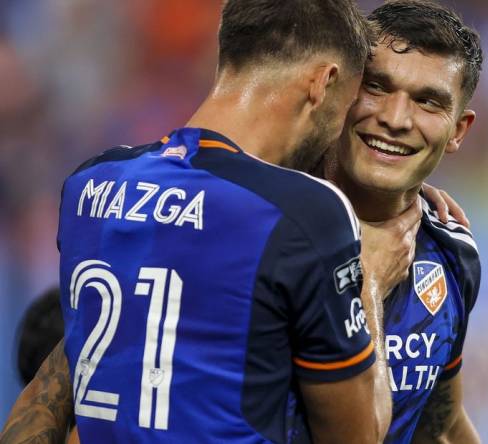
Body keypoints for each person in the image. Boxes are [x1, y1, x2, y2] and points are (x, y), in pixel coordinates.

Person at [1, 0, 420, 443]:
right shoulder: (305, 212)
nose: (341, 130)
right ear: (323, 82)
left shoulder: (90, 185)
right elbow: (360, 437)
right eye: (347, 105)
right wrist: (371, 279)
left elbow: (57, 390)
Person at [321, 1, 484, 442]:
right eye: (376, 87)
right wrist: (368, 280)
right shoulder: (272, 232)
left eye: (428, 102)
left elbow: (441, 421)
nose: (395, 119)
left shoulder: (453, 253)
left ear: (458, 130)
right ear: (339, 90)